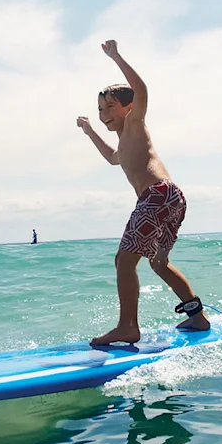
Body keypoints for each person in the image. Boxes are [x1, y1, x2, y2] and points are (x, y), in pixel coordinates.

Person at [76, 39, 209, 346]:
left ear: (129, 107)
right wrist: (89, 131)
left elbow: (142, 91)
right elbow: (112, 158)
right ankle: (197, 316)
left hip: (156, 196)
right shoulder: (124, 143)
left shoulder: (136, 122)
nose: (104, 114)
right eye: (100, 109)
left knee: (124, 261)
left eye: (110, 107)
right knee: (158, 263)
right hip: (170, 197)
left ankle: (127, 326)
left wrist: (116, 57)